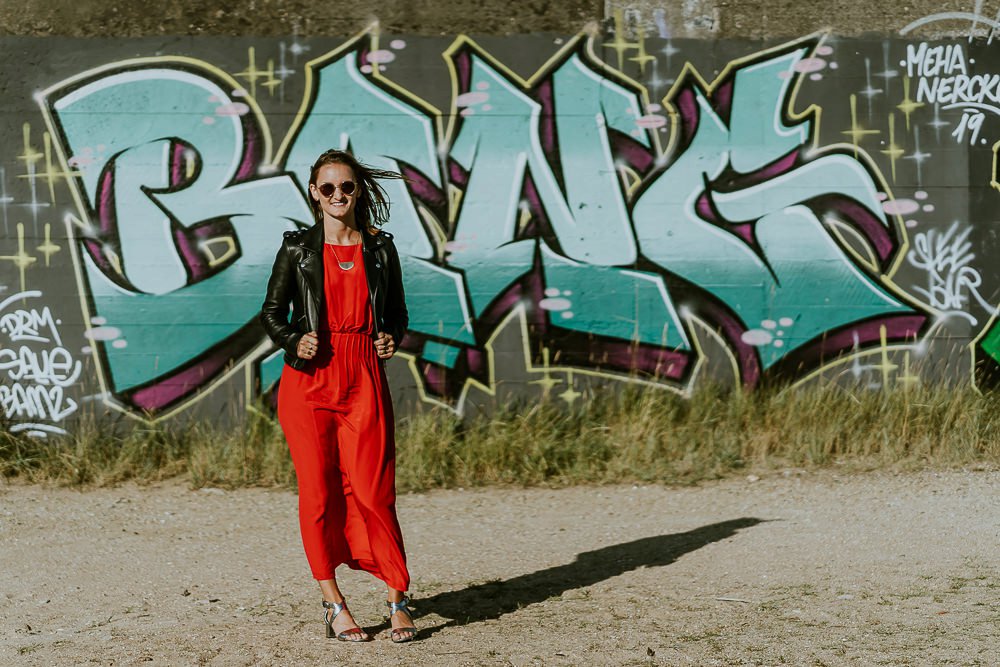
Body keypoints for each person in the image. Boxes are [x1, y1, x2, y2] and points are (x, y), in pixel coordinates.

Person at [260, 149, 416, 643]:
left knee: (374, 491)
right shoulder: (297, 249)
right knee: (320, 495)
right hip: (309, 379)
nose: (338, 196)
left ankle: (397, 597)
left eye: (346, 187)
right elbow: (271, 313)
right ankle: (334, 604)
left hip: (363, 375)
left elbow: (396, 314)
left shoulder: (380, 248)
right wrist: (292, 339)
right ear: (313, 193)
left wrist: (391, 337)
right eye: (327, 188)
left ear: (358, 191)